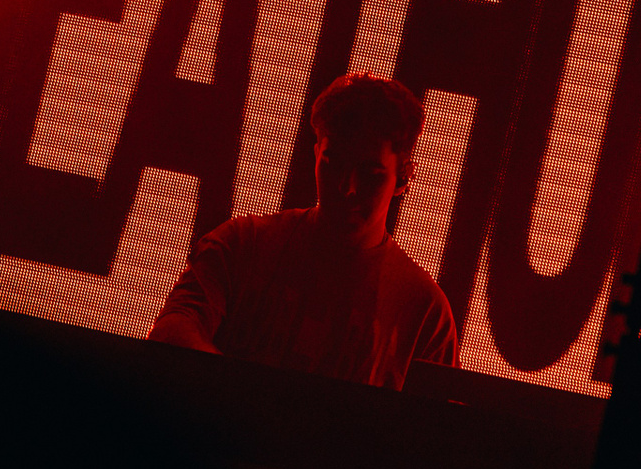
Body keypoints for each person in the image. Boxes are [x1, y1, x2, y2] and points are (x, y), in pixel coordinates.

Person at [149, 73, 458, 389]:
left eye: (369, 174)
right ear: (316, 155)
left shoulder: (426, 313)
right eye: (334, 163)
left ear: (402, 178)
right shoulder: (242, 244)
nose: (346, 187)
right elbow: (172, 330)